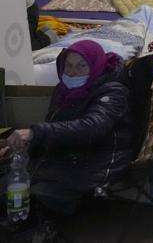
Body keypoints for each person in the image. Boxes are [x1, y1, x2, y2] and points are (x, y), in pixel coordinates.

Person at [1, 40, 135, 219]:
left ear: (95, 66)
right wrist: (25, 145)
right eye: (68, 65)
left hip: (98, 159)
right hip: (71, 153)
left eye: (81, 66)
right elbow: (57, 127)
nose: (72, 72)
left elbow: (92, 127)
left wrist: (35, 133)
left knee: (35, 196)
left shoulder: (112, 92)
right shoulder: (64, 90)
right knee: (9, 185)